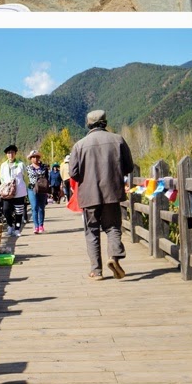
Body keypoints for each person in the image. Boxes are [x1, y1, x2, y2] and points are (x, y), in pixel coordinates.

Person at [68, 110, 134, 282]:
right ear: (105, 122)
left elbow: (73, 173)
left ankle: (96, 271)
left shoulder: (79, 145)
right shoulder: (118, 140)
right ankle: (114, 256)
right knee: (113, 227)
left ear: (88, 124)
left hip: (89, 195)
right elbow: (128, 167)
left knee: (92, 231)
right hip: (112, 192)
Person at [0, 144, 29, 236]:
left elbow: (25, 177)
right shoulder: (3, 165)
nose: (10, 154)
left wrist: (23, 187)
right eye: (8, 153)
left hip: (19, 192)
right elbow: (1, 177)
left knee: (19, 212)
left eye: (12, 152)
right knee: (6, 210)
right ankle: (10, 225)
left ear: (15, 154)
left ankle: (17, 228)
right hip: (7, 193)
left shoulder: (20, 164)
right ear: (6, 155)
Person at [26, 149, 49, 235]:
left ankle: (41, 225)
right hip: (32, 188)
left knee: (41, 207)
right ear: (30, 158)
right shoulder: (27, 168)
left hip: (42, 189)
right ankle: (36, 226)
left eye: (36, 157)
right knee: (34, 207)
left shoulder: (44, 167)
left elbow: (47, 178)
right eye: (33, 157)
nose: (35, 158)